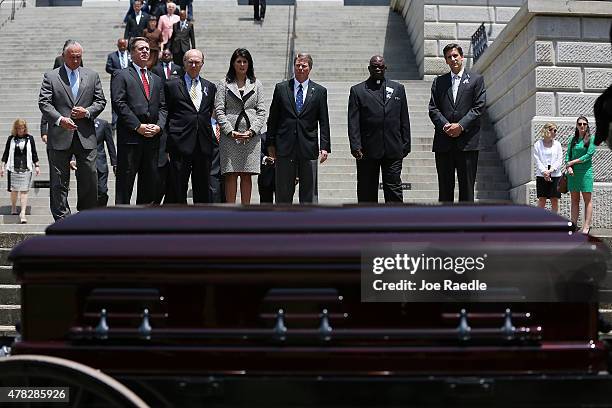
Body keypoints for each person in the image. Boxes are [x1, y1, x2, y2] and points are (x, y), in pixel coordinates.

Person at [38, 40, 106, 220]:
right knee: (59, 181)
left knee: (90, 179)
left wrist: (87, 112)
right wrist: (60, 120)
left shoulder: (92, 75)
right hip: (60, 136)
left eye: (78, 57)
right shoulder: (51, 76)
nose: (76, 60)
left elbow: (100, 101)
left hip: (85, 136)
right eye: (72, 57)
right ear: (63, 56)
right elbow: (44, 103)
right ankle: (62, 219)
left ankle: (86, 217)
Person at [267, 52, 330, 204]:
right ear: (294, 67)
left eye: (304, 65)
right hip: (285, 146)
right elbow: (273, 118)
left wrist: (325, 146)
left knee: (309, 192)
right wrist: (270, 143)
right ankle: (283, 224)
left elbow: (324, 121)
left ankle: (309, 223)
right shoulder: (281, 88)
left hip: (308, 147)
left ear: (310, 68)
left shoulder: (320, 91)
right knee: (283, 191)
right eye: (298, 65)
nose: (300, 68)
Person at [348, 55, 411, 203]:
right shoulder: (357, 91)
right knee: (366, 189)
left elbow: (404, 118)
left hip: (393, 148)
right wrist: (355, 145)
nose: (377, 68)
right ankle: (368, 223)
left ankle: (395, 223)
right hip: (367, 150)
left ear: (385, 68)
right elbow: (353, 121)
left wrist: (406, 143)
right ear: (369, 68)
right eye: (374, 66)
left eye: (380, 66)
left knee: (394, 188)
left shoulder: (398, 89)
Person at [428, 43, 486, 202]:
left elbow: (479, 106)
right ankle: (445, 224)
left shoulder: (476, 79)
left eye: (455, 56)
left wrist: (460, 126)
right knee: (445, 189)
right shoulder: (439, 82)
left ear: (462, 57)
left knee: (467, 189)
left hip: (467, 143)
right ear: (446, 61)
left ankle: (467, 223)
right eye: (449, 57)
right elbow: (433, 108)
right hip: (444, 143)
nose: (453, 59)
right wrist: (445, 125)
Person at [111, 37, 166, 205]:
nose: (145, 51)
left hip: (152, 140)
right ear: (131, 53)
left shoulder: (156, 78)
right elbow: (119, 103)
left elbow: (163, 107)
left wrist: (159, 126)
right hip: (130, 139)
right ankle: (122, 226)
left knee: (149, 186)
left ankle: (145, 224)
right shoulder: (121, 74)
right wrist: (137, 126)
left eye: (147, 49)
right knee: (125, 187)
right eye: (141, 48)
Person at [164, 49, 217, 203]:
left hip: (203, 144)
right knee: (178, 186)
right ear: (184, 63)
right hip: (179, 143)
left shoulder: (210, 87)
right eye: (190, 61)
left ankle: (202, 221)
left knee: (202, 186)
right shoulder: (171, 85)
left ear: (202, 64)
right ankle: (178, 220)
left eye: (197, 62)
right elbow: (165, 113)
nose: (194, 65)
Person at [214, 48, 266, 204]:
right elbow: (219, 109)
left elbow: (262, 111)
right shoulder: (224, 83)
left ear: (249, 64)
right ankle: (230, 211)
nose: (242, 64)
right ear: (233, 63)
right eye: (239, 61)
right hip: (229, 137)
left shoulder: (257, 84)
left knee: (246, 174)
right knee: (230, 173)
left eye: (245, 61)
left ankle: (246, 211)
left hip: (251, 137)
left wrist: (252, 131)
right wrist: (230, 131)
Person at [0, 119, 40, 224]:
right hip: (13, 168)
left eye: (22, 128)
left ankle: (22, 213)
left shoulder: (30, 138)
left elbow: (34, 152)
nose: (20, 130)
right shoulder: (11, 139)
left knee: (24, 191)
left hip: (26, 168)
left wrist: (37, 165)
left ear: (25, 128)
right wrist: (2, 166)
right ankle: (13, 207)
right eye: (18, 128)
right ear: (15, 129)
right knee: (14, 191)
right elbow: (6, 153)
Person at [566, 116, 596, 234]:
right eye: (580, 124)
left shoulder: (591, 139)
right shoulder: (572, 140)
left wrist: (572, 162)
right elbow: (568, 155)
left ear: (587, 125)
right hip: (573, 174)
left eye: (584, 124)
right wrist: (569, 167)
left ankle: (586, 226)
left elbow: (588, 155)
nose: (582, 126)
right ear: (577, 126)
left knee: (587, 200)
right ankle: (573, 224)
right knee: (574, 200)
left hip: (585, 172)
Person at [533, 122, 563, 213]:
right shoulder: (538, 144)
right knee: (542, 199)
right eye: (554, 130)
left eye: (556, 131)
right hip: (542, 175)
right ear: (548, 130)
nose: (555, 132)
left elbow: (559, 159)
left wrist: (551, 170)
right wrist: (544, 172)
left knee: (554, 199)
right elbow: (537, 160)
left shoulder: (557, 144)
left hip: (555, 175)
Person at [106, 38, 131, 130]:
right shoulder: (112, 56)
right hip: (116, 82)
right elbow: (108, 68)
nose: (122, 47)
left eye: (124, 45)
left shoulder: (130, 55)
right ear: (117, 45)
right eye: (120, 45)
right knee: (115, 101)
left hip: (129, 82)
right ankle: (115, 121)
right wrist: (119, 72)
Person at [258, 131, 275, 203]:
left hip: (282, 175)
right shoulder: (262, 137)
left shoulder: (285, 137)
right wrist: (265, 158)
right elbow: (257, 152)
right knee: (265, 204)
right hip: (266, 175)